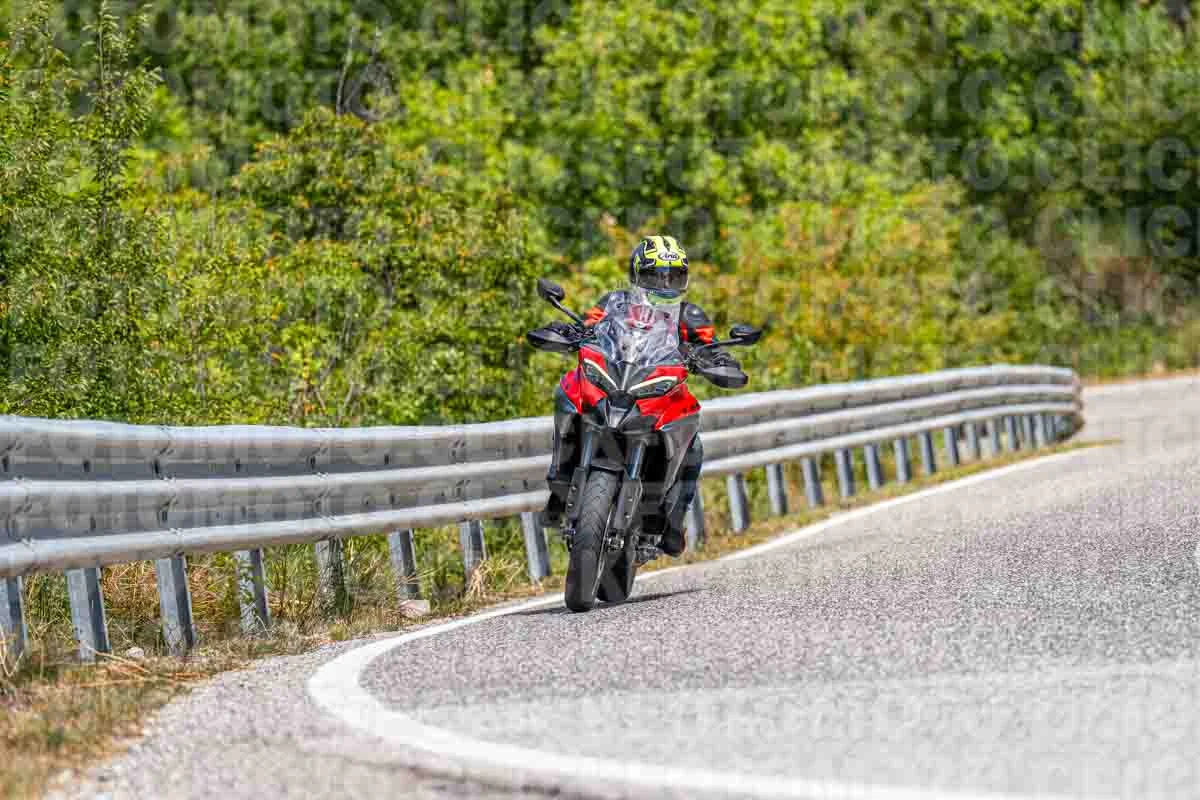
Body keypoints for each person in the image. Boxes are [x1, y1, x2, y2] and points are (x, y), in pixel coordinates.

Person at [543, 235, 744, 558]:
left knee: (693, 444)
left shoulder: (690, 315)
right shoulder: (614, 303)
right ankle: (560, 478)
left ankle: (673, 520)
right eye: (655, 276)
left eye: (673, 277)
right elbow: (587, 325)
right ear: (636, 274)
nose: (664, 285)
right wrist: (566, 330)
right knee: (567, 390)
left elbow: (711, 346)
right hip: (613, 380)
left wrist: (719, 361)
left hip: (659, 393)